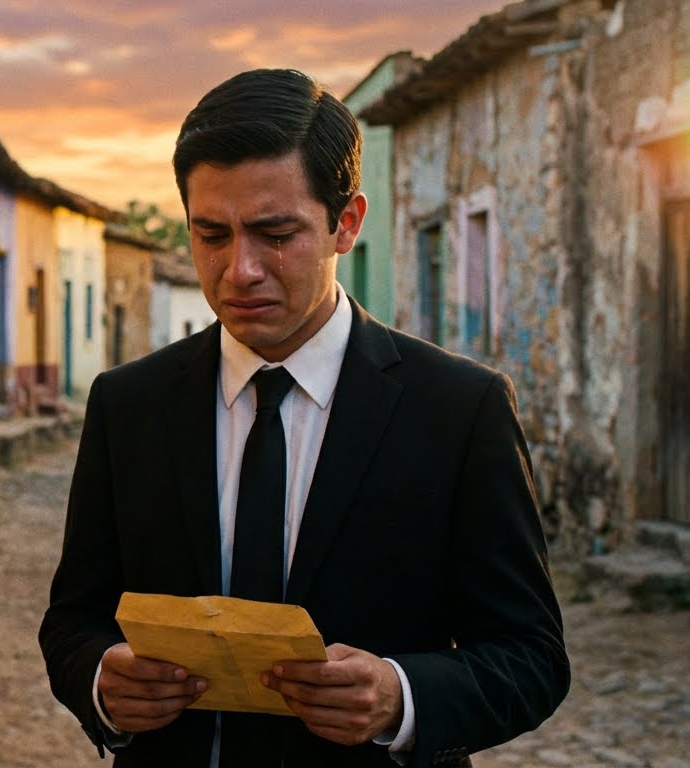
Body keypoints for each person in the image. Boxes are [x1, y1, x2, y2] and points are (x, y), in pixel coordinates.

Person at [39, 69, 569, 768]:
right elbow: (74, 620)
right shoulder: (127, 404)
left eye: (275, 233)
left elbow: (530, 656)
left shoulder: (458, 409)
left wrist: (400, 695)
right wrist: (101, 682)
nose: (239, 269)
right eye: (211, 235)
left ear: (346, 223)